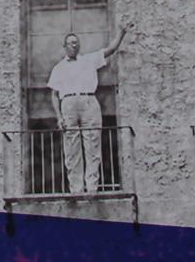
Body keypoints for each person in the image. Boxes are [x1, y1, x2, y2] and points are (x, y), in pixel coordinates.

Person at [46, 23, 131, 194]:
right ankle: (76, 190)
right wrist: (59, 117)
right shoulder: (59, 68)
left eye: (76, 42)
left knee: (92, 144)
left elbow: (110, 50)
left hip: (88, 101)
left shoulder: (88, 60)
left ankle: (92, 188)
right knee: (72, 148)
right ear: (64, 46)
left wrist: (121, 33)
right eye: (70, 42)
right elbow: (54, 94)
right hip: (68, 103)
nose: (74, 45)